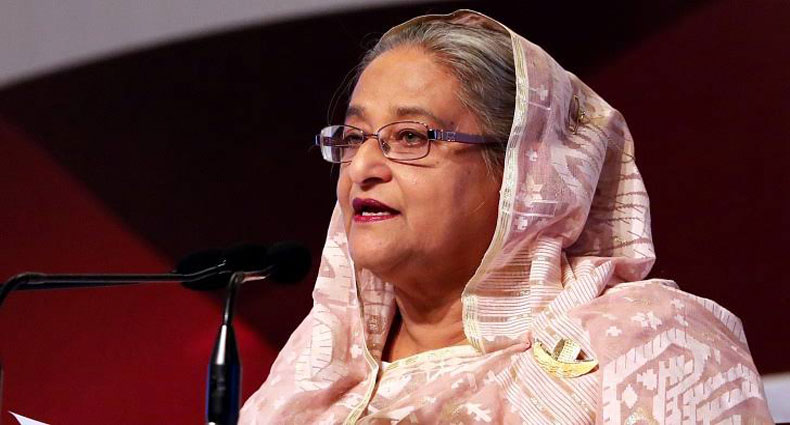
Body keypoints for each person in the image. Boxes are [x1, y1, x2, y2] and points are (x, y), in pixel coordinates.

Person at [239, 10, 773, 424]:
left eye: (411, 137)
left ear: (524, 173)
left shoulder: (647, 342)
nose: (362, 167)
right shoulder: (305, 379)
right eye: (354, 138)